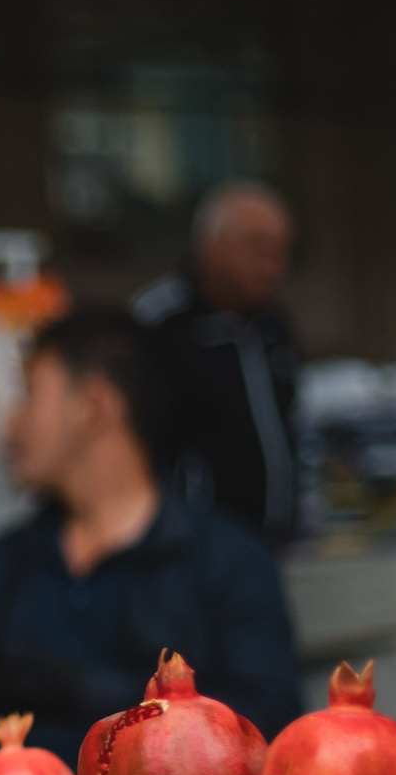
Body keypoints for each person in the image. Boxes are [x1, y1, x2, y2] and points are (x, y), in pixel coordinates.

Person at [0, 312, 301, 768]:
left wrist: (90, 688)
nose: (12, 424)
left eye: (30, 393)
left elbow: (267, 725)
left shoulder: (230, 562)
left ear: (94, 405)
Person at [130, 181, 303, 544]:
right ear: (210, 245)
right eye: (258, 248)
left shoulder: (272, 326)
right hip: (191, 550)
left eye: (282, 252)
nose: (273, 267)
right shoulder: (158, 324)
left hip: (272, 542)